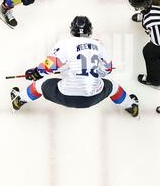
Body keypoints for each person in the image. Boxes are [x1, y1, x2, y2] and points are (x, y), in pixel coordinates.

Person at [10, 16, 139, 117]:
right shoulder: (99, 46)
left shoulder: (65, 43)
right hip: (92, 98)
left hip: (65, 96)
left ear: (72, 30)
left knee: (39, 85)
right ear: (90, 31)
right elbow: (107, 70)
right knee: (113, 87)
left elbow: (50, 65)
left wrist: (37, 72)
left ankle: (19, 100)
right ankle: (131, 106)